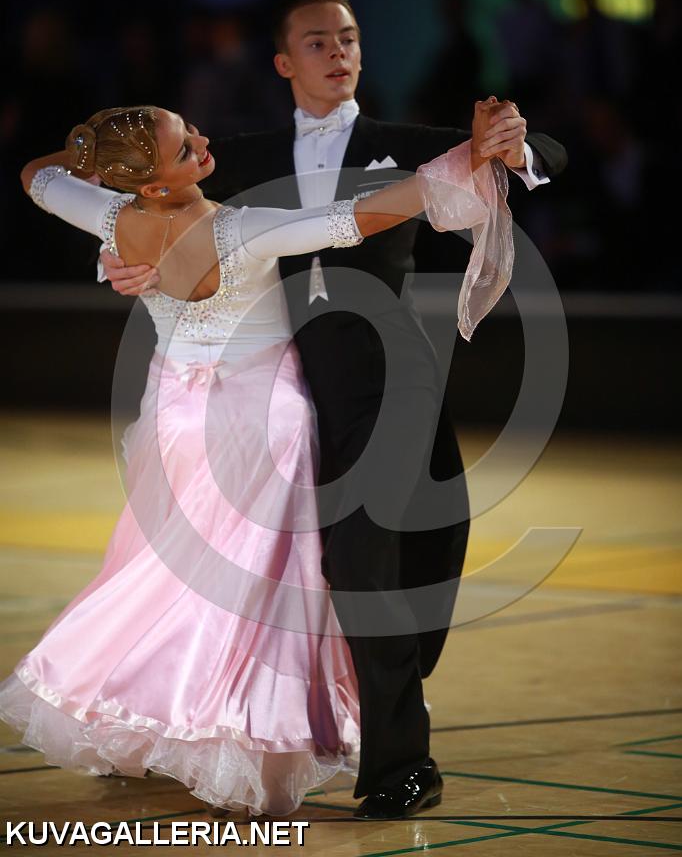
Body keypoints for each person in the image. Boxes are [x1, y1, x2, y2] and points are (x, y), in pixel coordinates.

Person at [97, 0, 568, 820]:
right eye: (317, 42)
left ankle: (403, 766)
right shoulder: (236, 158)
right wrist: (120, 260)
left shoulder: (400, 145)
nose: (338, 52)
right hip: (287, 393)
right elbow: (137, 197)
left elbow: (546, 156)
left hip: (388, 379)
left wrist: (513, 142)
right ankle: (213, 724)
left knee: (360, 566)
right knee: (282, 575)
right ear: (284, 62)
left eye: (348, 38)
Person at [0, 98, 511, 817]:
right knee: (261, 592)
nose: (203, 141)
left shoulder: (112, 218)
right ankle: (242, 735)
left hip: (176, 419)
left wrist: (89, 154)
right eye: (185, 148)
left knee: (176, 578)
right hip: (261, 424)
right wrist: (469, 161)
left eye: (190, 130)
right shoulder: (241, 229)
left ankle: (169, 721)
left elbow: (37, 176)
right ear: (153, 181)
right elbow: (359, 218)